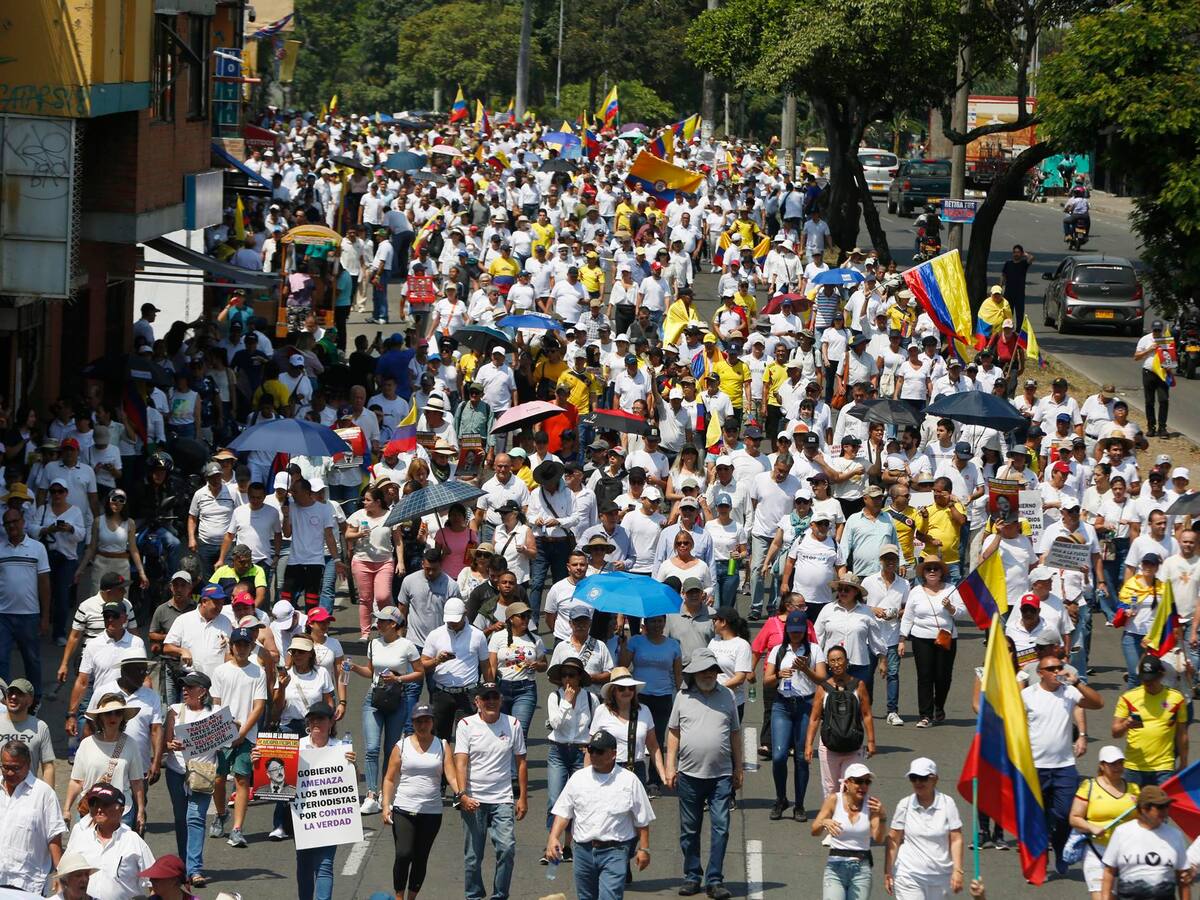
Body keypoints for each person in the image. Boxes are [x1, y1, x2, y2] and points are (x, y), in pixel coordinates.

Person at [665, 648, 743, 900]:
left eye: (712, 670)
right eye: (704, 670)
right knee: (690, 830)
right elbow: (674, 732)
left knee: (721, 828)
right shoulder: (683, 697)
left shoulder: (727, 695)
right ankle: (692, 876)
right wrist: (669, 765)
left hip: (721, 775)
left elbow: (734, 733)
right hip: (688, 774)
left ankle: (715, 880)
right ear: (694, 673)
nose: (708, 674)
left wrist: (738, 767)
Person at [545, 729, 655, 900]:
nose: (594, 754)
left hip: (615, 851)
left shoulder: (629, 781)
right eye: (591, 750)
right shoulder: (578, 779)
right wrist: (553, 838)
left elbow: (642, 820)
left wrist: (644, 849)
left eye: (599, 751)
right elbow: (563, 813)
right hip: (583, 852)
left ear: (613, 754)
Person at [1023, 647, 1104, 874]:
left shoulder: (1069, 692)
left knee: (1064, 813)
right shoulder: (1028, 695)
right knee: (1035, 818)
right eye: (1051, 669)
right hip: (1035, 766)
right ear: (1040, 673)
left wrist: (1076, 682)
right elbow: (1012, 724)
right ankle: (1038, 863)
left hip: (1063, 766)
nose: (1057, 671)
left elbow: (1098, 703)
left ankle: (1059, 848)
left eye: (1059, 667)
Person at [454, 681, 528, 900]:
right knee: (473, 857)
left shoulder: (513, 724)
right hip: (473, 799)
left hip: (502, 798)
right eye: (486, 698)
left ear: (501, 700)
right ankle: (474, 896)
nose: (491, 702)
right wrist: (462, 794)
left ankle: (500, 895)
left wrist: (522, 797)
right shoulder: (466, 725)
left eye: (495, 697)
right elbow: (460, 762)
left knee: (507, 849)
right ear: (477, 702)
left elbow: (521, 762)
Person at [349, 606, 422, 814]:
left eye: (382, 621)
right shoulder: (374, 644)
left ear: (393, 624)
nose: (378, 624)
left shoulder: (407, 645)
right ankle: (371, 794)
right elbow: (370, 671)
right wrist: (355, 667)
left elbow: (419, 672)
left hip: (397, 699)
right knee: (372, 748)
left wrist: (398, 678)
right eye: (377, 620)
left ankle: (385, 793)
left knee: (391, 749)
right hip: (374, 698)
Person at [382, 703, 459, 900]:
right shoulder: (402, 746)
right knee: (403, 853)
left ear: (432, 722)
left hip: (431, 812)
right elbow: (390, 778)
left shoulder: (442, 745)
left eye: (426, 720)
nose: (422, 725)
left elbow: (450, 774)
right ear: (413, 723)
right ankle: (399, 896)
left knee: (420, 857)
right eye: (418, 721)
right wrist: (385, 806)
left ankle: (411, 897)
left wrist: (461, 793)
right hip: (404, 809)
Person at [208, 625, 269, 848]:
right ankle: (221, 813)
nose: (242, 648)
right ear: (232, 647)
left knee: (242, 779)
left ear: (251, 647)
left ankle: (237, 828)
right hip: (222, 734)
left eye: (246, 645)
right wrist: (225, 729)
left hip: (247, 735)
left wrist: (242, 733)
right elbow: (215, 703)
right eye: (238, 645)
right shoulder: (221, 671)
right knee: (218, 779)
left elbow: (259, 705)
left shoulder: (257, 672)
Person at [764, 609, 826, 821]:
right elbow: (767, 681)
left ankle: (799, 804)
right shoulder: (778, 651)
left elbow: (822, 680)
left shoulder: (815, 650)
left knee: (802, 757)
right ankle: (781, 798)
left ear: (806, 631)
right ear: (787, 630)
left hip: (806, 705)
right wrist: (779, 675)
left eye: (800, 631)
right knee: (779, 756)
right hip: (782, 704)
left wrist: (805, 669)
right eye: (793, 631)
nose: (796, 635)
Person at [162, 670, 221, 888]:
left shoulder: (216, 713)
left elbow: (229, 740)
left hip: (203, 773)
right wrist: (171, 745)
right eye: (183, 686)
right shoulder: (175, 711)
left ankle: (194, 869)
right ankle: (184, 864)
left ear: (202, 691)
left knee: (195, 818)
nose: (184, 690)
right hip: (176, 772)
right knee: (180, 819)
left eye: (190, 686)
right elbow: (166, 742)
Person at [293, 701, 356, 900]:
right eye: (312, 719)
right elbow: (274, 773)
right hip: (303, 814)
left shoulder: (341, 748)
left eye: (320, 718)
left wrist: (353, 765)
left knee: (325, 865)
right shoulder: (297, 745)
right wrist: (259, 759)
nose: (316, 723)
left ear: (331, 723)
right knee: (304, 864)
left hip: (330, 815)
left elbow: (351, 781)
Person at [899, 556, 966, 728]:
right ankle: (925, 715)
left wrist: (951, 608)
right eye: (929, 569)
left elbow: (962, 612)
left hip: (946, 637)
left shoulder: (951, 589)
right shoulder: (916, 591)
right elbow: (907, 617)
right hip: (921, 638)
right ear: (923, 573)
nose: (932, 572)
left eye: (936, 569)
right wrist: (902, 640)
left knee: (944, 676)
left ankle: (939, 706)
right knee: (925, 676)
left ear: (942, 572)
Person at [884, 758, 964, 899]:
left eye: (923, 778)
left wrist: (957, 870)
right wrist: (888, 872)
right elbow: (894, 840)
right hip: (909, 874)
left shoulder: (948, 803)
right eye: (913, 778)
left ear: (935, 779)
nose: (918, 783)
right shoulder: (904, 804)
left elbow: (956, 839)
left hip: (941, 876)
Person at [62, 693, 145, 830]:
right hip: (90, 811)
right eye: (108, 713)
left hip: (120, 813)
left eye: (117, 713)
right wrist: (66, 809)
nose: (113, 717)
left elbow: (136, 782)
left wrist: (141, 811)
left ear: (123, 717)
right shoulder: (86, 744)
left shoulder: (131, 745)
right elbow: (77, 781)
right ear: (100, 717)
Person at [1068, 745, 1139, 900]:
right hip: (1097, 851)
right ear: (1102, 765)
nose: (1118, 767)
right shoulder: (1089, 787)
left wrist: (1141, 809)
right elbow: (1074, 817)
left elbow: (1147, 821)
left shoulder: (1134, 789)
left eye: (1120, 763)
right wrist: (1091, 827)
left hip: (1126, 854)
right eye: (1112, 763)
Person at [63, 783, 154, 900]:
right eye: (94, 804)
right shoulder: (80, 838)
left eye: (105, 804)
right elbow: (63, 876)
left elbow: (155, 884)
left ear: (121, 810)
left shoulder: (133, 841)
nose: (99, 809)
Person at [805, 644, 875, 797]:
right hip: (829, 747)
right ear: (828, 664)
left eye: (839, 660)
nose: (836, 664)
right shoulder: (823, 688)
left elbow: (867, 714)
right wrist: (809, 745)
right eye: (832, 661)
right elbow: (815, 718)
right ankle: (831, 820)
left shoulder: (859, 685)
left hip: (854, 746)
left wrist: (871, 741)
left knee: (853, 787)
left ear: (846, 661)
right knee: (831, 789)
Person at [811, 763, 887, 900]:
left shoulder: (872, 805)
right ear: (847, 783)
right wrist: (824, 822)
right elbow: (814, 831)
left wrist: (882, 817)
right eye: (858, 781)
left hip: (861, 869)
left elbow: (879, 838)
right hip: (835, 867)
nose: (863, 786)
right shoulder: (834, 799)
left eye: (867, 782)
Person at [0, 739, 66, 893]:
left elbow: (54, 836)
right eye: (5, 767)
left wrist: (60, 874)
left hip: (27, 882)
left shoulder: (44, 794)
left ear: (28, 764)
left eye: (15, 768)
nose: (9, 773)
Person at [1101, 785, 1190, 898]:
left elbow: (1183, 878)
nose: (1165, 810)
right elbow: (1109, 872)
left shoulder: (1175, 835)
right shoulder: (1122, 832)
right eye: (1160, 807)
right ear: (1144, 808)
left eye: (1167, 806)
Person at [1112, 654, 1188, 787]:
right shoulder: (1128, 698)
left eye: (1152, 679)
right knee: (1133, 808)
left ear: (1161, 675)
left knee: (1162, 807)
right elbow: (1115, 733)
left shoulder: (1176, 699)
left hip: (1163, 768)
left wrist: (1184, 763)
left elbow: (1182, 734)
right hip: (1134, 767)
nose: (1148, 683)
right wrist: (1125, 725)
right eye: (1145, 680)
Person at [344, 486, 404, 642]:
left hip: (384, 562)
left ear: (378, 502)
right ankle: (365, 632)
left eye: (367, 500)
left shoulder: (391, 516)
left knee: (383, 596)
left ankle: (385, 625)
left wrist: (401, 562)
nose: (364, 502)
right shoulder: (358, 515)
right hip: (361, 561)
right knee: (365, 598)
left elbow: (398, 540)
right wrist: (358, 534)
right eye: (364, 499)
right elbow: (347, 534)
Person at [487, 601, 546, 741]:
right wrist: (489, 689)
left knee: (519, 732)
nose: (526, 619)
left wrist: (537, 665)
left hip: (525, 689)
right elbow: (492, 665)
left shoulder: (537, 640)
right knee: (500, 734)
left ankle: (519, 763)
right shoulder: (497, 637)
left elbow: (544, 665)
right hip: (501, 688)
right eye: (522, 616)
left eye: (528, 616)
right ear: (511, 619)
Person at [0, 678, 55, 784]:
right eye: (10, 693)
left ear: (30, 700)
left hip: (27, 794)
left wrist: (49, 796)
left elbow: (48, 766)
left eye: (19, 694)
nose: (13, 697)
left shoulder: (40, 727)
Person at [1133, 320, 1172, 437]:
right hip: (1148, 372)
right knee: (1149, 401)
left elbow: (1172, 356)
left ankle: (1162, 428)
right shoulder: (1145, 339)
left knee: (1163, 400)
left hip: (1162, 373)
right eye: (1155, 330)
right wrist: (1149, 349)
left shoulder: (1167, 340)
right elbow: (1136, 357)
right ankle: (1151, 427)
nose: (1157, 332)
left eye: (1159, 330)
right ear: (1152, 330)